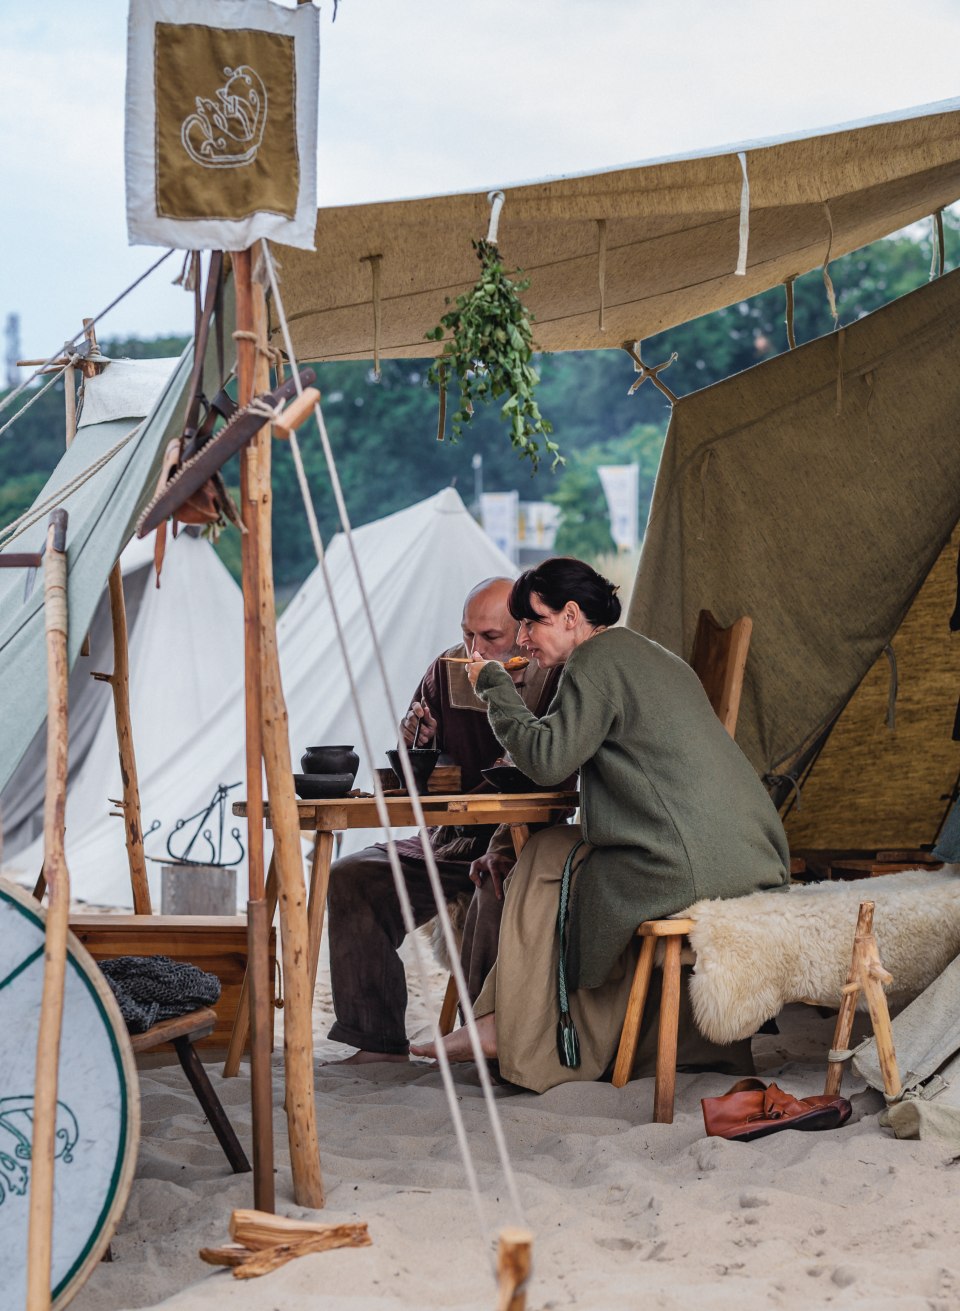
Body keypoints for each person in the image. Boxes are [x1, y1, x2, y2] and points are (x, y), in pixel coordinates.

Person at [412, 557, 790, 1092]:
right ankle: (502, 1020)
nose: (523, 636)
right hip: (752, 858)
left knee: (542, 855)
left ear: (571, 615)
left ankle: (509, 1025)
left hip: (684, 866)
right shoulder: (651, 655)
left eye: (531, 621)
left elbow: (546, 760)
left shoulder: (593, 662)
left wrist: (494, 685)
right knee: (551, 854)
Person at [325, 577, 561, 1063]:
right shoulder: (448, 669)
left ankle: (491, 1041)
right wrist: (416, 738)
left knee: (495, 889)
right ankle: (375, 1040)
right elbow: (419, 767)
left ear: (524, 632)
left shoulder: (553, 674)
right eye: (467, 634)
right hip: (448, 839)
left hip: (521, 842)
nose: (473, 649)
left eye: (489, 638)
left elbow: (562, 771)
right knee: (352, 877)